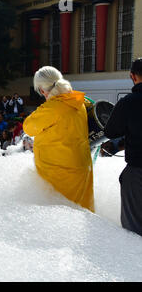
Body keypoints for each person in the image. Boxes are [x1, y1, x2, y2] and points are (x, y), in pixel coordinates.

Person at [23, 66, 94, 212]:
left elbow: (28, 127)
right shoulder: (78, 102)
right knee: (84, 213)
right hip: (82, 167)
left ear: (42, 90)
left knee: (61, 218)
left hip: (58, 172)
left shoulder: (53, 108)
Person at [104, 58, 142, 235]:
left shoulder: (129, 102)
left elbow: (111, 131)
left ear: (132, 76)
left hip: (138, 172)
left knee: (134, 232)